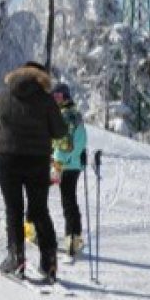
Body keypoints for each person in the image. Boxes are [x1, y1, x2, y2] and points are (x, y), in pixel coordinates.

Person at [0, 61, 66, 281]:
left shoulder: (1, 95)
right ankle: (49, 262)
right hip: (36, 160)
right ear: (41, 78)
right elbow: (60, 131)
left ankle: (16, 259)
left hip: (6, 158)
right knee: (39, 210)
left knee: (13, 209)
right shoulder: (46, 99)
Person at [50, 82, 88, 261]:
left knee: (64, 201)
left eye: (58, 96)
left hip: (63, 165)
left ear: (65, 96)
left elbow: (59, 143)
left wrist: (58, 163)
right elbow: (81, 140)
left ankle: (32, 226)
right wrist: (78, 155)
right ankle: (75, 236)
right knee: (70, 201)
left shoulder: (63, 116)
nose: (56, 100)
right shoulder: (76, 115)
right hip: (73, 166)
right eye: (54, 97)